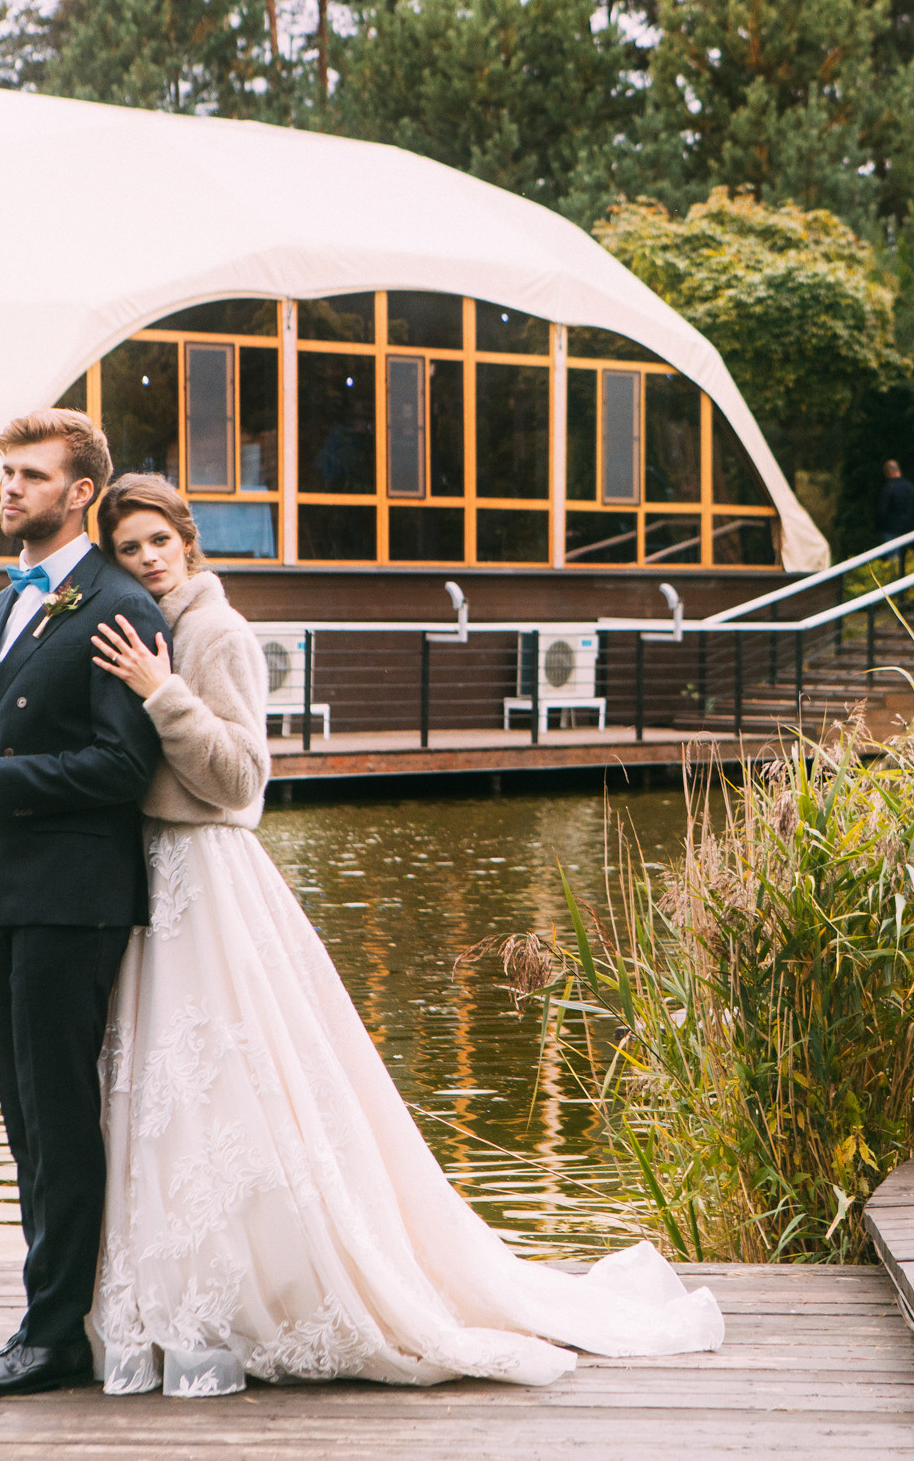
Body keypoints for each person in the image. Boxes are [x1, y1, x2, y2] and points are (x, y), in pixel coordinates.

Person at [83, 473, 722, 1399]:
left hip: (209, 876)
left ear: (188, 541)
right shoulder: (136, 625)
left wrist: (163, 693)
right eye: (127, 546)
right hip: (148, 881)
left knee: (237, 1074)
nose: (144, 558)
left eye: (157, 541)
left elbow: (240, 781)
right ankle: (183, 1285)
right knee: (169, 1090)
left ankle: (296, 1283)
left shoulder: (215, 633)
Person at [0, 409, 167, 1399]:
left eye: (32, 474)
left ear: (81, 491)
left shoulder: (119, 604)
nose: (10, 488)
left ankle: (54, 1337)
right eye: (5, 471)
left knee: (58, 1116)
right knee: (21, 1121)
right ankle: (47, 1317)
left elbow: (122, 763)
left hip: (73, 899)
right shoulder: (1, 605)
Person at [875, 458, 914, 573]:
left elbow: (882, 510)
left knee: (893, 561)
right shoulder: (911, 488)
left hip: (890, 529)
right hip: (907, 528)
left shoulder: (889, 488)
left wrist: (879, 525)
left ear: (888, 472)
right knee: (905, 560)